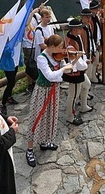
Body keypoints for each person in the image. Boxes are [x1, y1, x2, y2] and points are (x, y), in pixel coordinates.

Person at [25, 34, 75, 167]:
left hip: (53, 91)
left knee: (50, 117)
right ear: (52, 47)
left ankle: (44, 141)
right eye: (59, 47)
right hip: (43, 91)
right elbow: (51, 76)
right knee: (37, 119)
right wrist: (64, 68)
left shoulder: (56, 56)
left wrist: (74, 62)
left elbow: (67, 68)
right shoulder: (42, 58)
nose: (62, 50)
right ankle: (29, 149)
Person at [63, 18, 92, 124]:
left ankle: (83, 105)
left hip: (80, 70)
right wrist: (84, 65)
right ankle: (70, 116)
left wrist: (85, 60)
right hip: (75, 73)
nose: (81, 29)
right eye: (79, 28)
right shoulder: (70, 43)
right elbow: (76, 61)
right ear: (75, 29)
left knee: (87, 85)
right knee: (73, 95)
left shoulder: (77, 37)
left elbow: (81, 52)